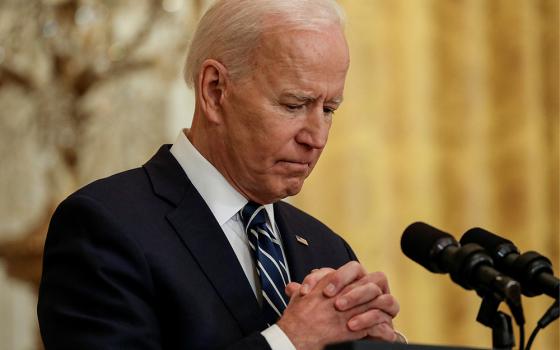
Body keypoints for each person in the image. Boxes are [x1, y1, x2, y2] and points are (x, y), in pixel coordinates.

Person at [38, 0, 404, 349]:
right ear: (215, 90)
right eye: (294, 105)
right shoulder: (105, 226)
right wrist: (289, 341)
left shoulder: (327, 247)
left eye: (329, 110)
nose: (317, 137)